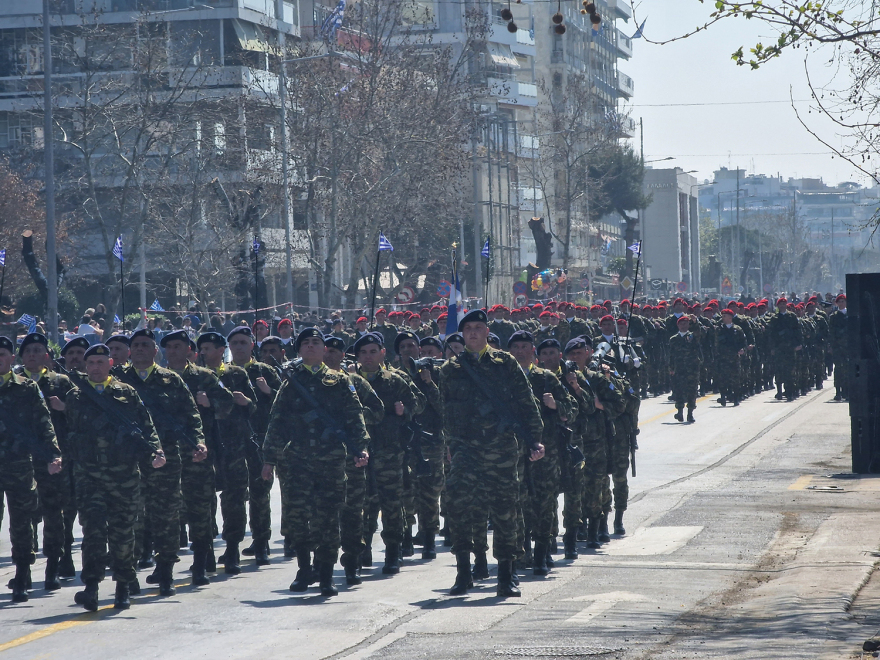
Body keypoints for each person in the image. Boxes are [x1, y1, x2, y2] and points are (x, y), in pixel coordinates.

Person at [440, 309, 544, 598]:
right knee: (460, 509)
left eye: (478, 327)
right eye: (468, 328)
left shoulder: (505, 363)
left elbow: (526, 402)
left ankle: (507, 575)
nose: (472, 332)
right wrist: (449, 446)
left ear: (487, 332)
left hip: (500, 448)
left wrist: (535, 439)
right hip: (464, 450)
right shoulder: (450, 369)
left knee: (504, 511)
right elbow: (445, 411)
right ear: (462, 334)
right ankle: (463, 572)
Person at [261, 328, 370, 597]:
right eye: (305, 343)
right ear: (299, 350)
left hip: (331, 461)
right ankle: (303, 568)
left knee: (328, 519)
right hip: (297, 461)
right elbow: (277, 423)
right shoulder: (290, 382)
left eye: (316, 342)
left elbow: (354, 417)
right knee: (299, 519)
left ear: (324, 349)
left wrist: (361, 448)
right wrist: (269, 459)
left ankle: (325, 573)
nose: (310, 346)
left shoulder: (341, 381)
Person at [65, 343, 165, 611]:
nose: (96, 367)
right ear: (86, 367)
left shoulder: (127, 393)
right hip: (90, 476)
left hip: (124, 476)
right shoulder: (75, 396)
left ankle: (123, 586)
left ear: (110, 364)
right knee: (93, 533)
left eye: (101, 362)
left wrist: (156, 452)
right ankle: (92, 587)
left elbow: (146, 427)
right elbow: (68, 434)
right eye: (91, 363)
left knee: (123, 534)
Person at [114, 328, 207, 597]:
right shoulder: (117, 381)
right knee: (129, 517)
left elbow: (192, 416)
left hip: (165, 457)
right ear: (130, 351)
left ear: (156, 351)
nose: (141, 349)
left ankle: (165, 571)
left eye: (146, 345)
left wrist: (198, 442)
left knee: (166, 516)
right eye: (136, 345)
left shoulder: (171, 381)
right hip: (127, 459)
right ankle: (127, 575)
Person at [161, 329, 232, 585]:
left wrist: (210, 402)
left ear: (190, 350)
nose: (173, 351)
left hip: (197, 454)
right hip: (166, 455)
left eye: (178, 346)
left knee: (200, 509)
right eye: (169, 347)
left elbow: (228, 404)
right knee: (165, 511)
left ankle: (201, 562)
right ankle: (165, 562)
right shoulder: (159, 379)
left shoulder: (205, 377)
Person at [0, 335, 62, 603]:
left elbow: (44, 423)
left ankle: (22, 575)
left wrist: (53, 454)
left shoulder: (26, 388)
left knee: (22, 522)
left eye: (3, 354)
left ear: (11, 359)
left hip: (18, 464)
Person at [355, 332, 423, 575]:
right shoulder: (349, 381)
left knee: (391, 502)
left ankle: (393, 551)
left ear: (383, 353)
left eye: (373, 351)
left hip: (390, 450)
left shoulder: (395, 380)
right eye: (363, 352)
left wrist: (405, 410)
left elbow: (419, 402)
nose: (368, 356)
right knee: (363, 502)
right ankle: (362, 550)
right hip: (360, 451)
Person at [15, 333, 75, 591]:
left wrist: (65, 408)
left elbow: (82, 413)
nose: (32, 354)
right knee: (24, 514)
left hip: (53, 457)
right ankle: (24, 568)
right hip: (20, 458)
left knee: (54, 511)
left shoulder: (61, 382)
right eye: (28, 350)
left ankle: (53, 565)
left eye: (38, 350)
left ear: (47, 357)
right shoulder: (12, 384)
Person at [197, 331, 256, 575]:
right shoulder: (193, 377)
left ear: (222, 350)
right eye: (201, 348)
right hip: (204, 445)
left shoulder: (237, 375)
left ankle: (232, 548)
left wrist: (237, 403)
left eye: (209, 348)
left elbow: (253, 407)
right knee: (203, 499)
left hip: (233, 445)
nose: (204, 352)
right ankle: (206, 551)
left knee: (233, 499)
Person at [227, 326, 280, 565]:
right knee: (234, 494)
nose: (239, 347)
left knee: (260, 494)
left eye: (243, 342)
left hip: (260, 438)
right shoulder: (223, 373)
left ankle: (261, 542)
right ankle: (232, 545)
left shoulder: (264, 371)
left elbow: (286, 401)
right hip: (232, 441)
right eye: (234, 343)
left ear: (252, 345)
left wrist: (268, 391)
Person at [669, 315, 703, 423]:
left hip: (692, 369)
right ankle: (679, 412)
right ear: (678, 325)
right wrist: (671, 368)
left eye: (686, 323)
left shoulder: (693, 337)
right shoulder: (673, 339)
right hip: (679, 369)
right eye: (681, 324)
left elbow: (700, 333)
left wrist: (695, 321)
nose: (683, 326)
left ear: (689, 325)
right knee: (679, 390)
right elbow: (670, 355)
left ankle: (690, 413)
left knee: (692, 391)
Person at [715, 308, 746, 406]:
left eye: (724, 316)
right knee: (722, 378)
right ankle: (723, 397)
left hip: (734, 358)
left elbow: (743, 342)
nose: (723, 318)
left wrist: (742, 349)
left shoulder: (737, 329)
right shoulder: (719, 329)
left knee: (735, 378)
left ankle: (736, 398)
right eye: (722, 316)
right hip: (722, 358)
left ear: (730, 317)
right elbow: (715, 343)